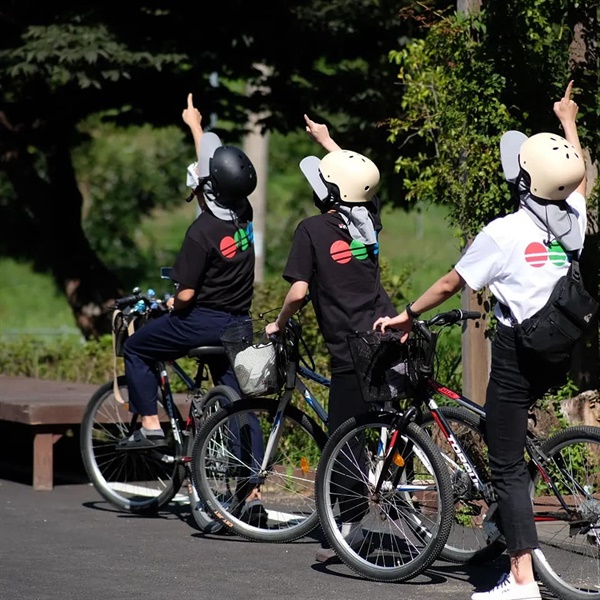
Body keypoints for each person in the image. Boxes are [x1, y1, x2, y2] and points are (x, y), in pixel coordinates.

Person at [374, 81, 587, 600]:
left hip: (519, 356)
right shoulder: (577, 219)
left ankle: (521, 581)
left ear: (526, 179)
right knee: (505, 430)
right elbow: (580, 178)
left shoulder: (505, 230)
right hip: (561, 349)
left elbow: (451, 283)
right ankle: (505, 516)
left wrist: (405, 315)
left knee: (505, 463)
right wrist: (568, 120)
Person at [266, 115, 398, 561]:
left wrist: (279, 322)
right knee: (387, 421)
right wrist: (327, 141)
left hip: (348, 347)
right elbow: (357, 183)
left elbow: (300, 291)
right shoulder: (368, 221)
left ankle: (350, 525)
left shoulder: (312, 230)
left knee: (344, 435)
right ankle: (395, 490)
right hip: (386, 334)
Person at [118, 92, 257, 450]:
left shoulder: (201, 233)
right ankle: (252, 484)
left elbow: (186, 296)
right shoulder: (244, 213)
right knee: (239, 402)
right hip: (239, 323)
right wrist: (196, 128)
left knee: (136, 347)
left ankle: (149, 425)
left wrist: (171, 306)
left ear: (205, 191)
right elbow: (221, 171)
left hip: (202, 322)